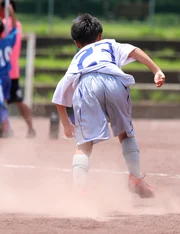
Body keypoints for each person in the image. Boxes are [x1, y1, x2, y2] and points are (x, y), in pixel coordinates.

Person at [52, 14, 166, 198]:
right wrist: (156, 70)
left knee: (84, 143)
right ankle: (135, 178)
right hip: (114, 80)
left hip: (86, 84)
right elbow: (134, 51)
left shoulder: (78, 59)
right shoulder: (109, 45)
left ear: (76, 43)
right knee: (125, 132)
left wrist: (65, 123)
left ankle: (79, 189)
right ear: (100, 36)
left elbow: (59, 95)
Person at [0, 0, 36, 138]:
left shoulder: (9, 24)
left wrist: (11, 13)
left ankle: (11, 128)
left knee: (12, 101)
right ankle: (8, 128)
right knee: (11, 101)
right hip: (9, 71)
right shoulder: (14, 24)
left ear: (6, 8)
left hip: (7, 71)